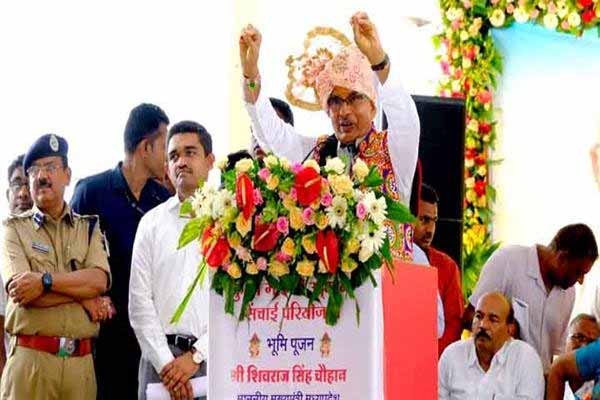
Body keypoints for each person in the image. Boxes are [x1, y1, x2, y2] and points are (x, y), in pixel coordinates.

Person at [239, 11, 420, 261]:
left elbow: (406, 118)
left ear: (373, 106)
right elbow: (271, 134)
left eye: (354, 98)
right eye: (335, 101)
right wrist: (250, 75)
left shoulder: (393, 150)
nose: (344, 111)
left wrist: (378, 60)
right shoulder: (315, 153)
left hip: (389, 281)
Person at [70, 103, 171, 399]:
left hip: (149, 341)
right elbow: (68, 259)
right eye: (164, 146)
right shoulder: (91, 192)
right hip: (101, 340)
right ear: (145, 147)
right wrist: (90, 298)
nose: (168, 157)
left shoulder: (162, 200)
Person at [0, 134, 113, 399]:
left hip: (80, 368)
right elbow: (24, 294)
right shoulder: (13, 230)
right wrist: (84, 297)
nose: (41, 176)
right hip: (31, 366)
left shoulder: (88, 228)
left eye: (50, 167)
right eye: (34, 170)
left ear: (67, 175)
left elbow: (98, 281)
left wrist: (44, 281)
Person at [129, 120, 213, 400]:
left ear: (210, 161)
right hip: (158, 366)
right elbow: (139, 303)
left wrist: (196, 356)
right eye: (174, 156)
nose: (181, 162)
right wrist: (167, 365)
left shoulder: (229, 222)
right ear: (167, 167)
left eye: (190, 152)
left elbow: (233, 305)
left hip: (210, 361)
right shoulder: (151, 223)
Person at [465, 223, 598, 372]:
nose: (580, 281)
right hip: (497, 379)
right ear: (562, 258)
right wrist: (505, 333)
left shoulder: (569, 293)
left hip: (538, 383)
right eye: (578, 272)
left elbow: (553, 353)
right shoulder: (507, 261)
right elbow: (470, 316)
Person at [439, 292, 544, 399]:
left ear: (510, 329)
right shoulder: (452, 356)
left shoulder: (525, 359)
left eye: (493, 320)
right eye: (479, 316)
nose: (483, 325)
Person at [414, 183, 464, 355]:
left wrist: (429, 359)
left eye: (433, 221)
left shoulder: (447, 267)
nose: (430, 230)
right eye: (423, 220)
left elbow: (454, 326)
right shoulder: (388, 262)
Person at [0, 154, 35, 375]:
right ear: (7, 194)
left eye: (28, 184)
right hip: (16, 371)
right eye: (16, 184)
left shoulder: (58, 241)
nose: (23, 193)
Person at [562, 314, 600, 399]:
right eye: (579, 337)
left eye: (592, 343)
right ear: (565, 340)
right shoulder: (548, 381)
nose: (584, 346)